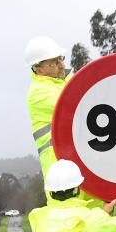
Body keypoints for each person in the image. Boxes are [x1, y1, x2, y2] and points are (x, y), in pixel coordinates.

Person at [25, 35, 70, 180]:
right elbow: (76, 108)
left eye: (61, 59)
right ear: (39, 70)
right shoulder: (38, 93)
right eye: (54, 63)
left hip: (79, 164)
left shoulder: (64, 80)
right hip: (60, 176)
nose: (62, 65)